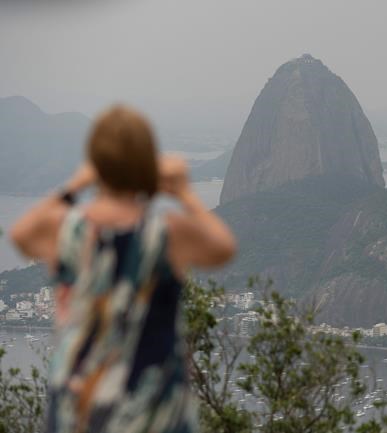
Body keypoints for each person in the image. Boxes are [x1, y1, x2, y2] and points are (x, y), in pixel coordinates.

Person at [10, 105, 237, 433]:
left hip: (79, 402)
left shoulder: (68, 228)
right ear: (147, 163)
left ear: (96, 163)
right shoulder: (166, 233)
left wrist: (74, 185)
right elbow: (223, 247)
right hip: (152, 404)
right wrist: (185, 193)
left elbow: (21, 234)